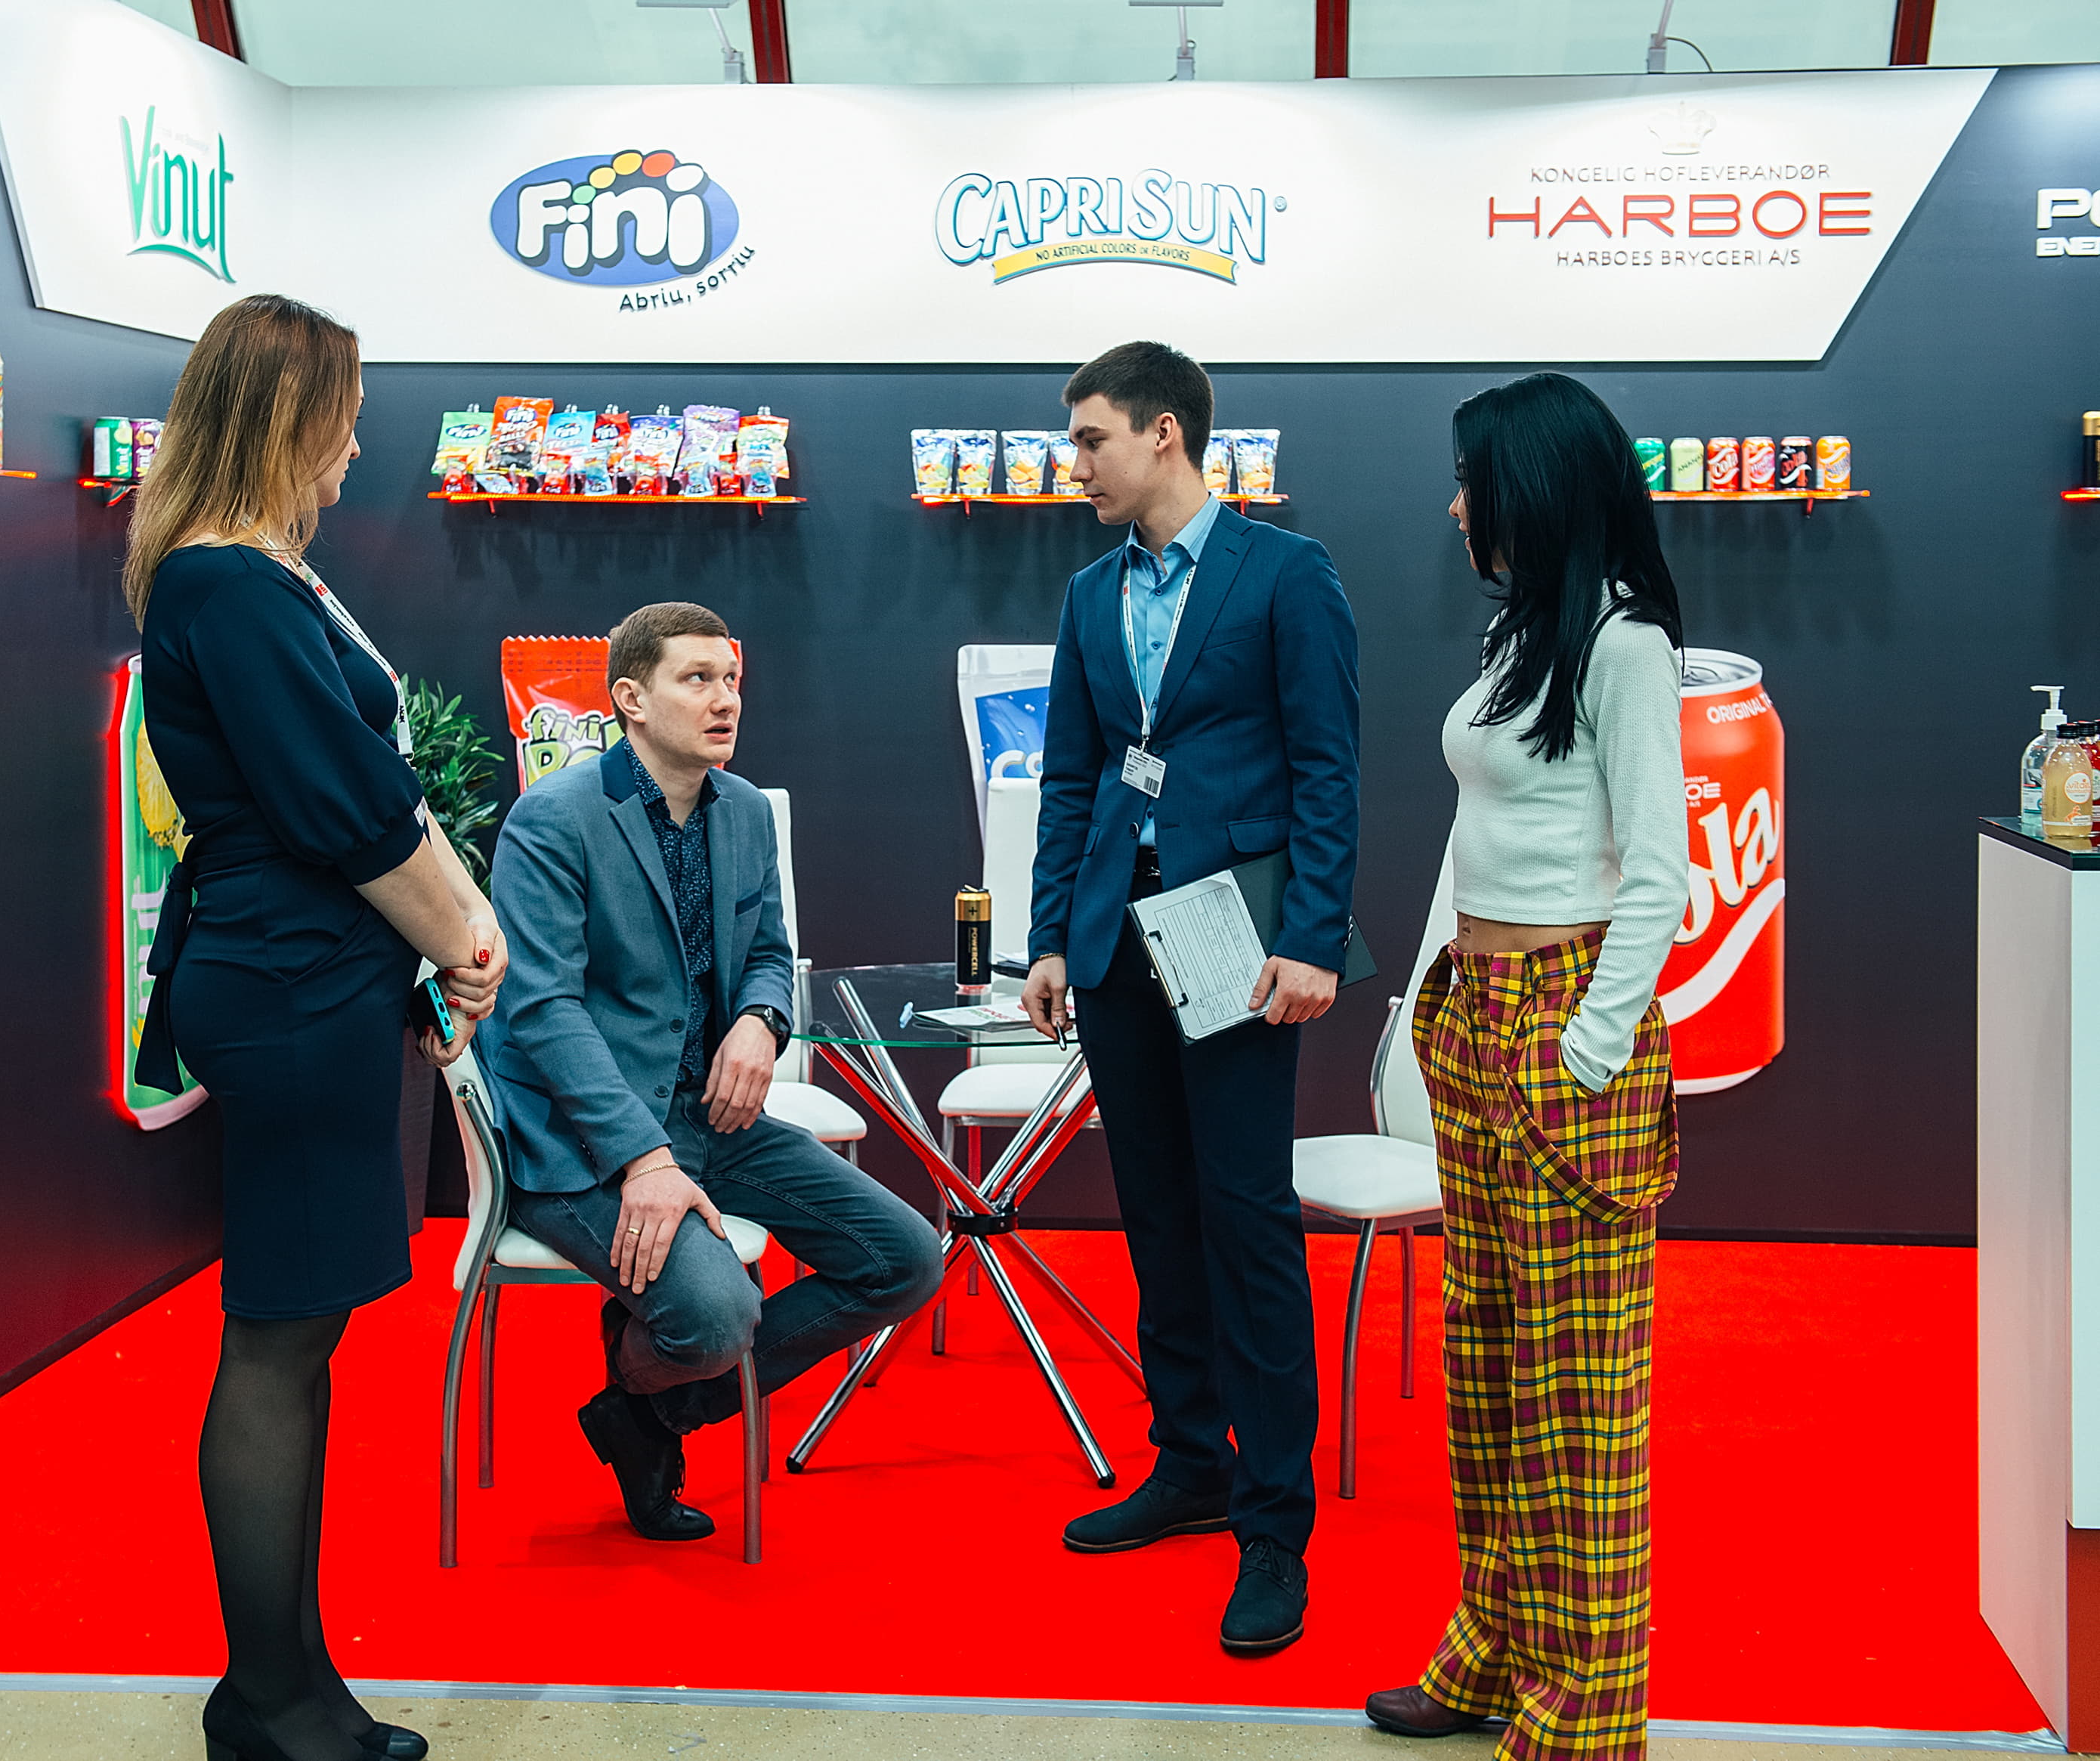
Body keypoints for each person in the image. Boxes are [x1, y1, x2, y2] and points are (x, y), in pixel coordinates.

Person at [128, 293, 505, 1761]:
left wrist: (449, 941)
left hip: (311, 979)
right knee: (280, 1336)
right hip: (287, 986)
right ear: (282, 419)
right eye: (341, 418)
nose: (355, 447)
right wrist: (461, 944)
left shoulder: (252, 576)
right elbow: (346, 810)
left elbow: (373, 789)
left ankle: (288, 1683)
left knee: (301, 1329)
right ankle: (273, 1700)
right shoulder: (226, 585)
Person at [1362, 373, 1687, 1760]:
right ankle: (1496, 1652)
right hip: (1481, 1014)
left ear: (1534, 489)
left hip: (1561, 1025)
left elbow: (1662, 876)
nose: (1454, 509)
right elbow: (1483, 840)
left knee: (1579, 1403)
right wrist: (1442, 1017)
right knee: (1491, 1371)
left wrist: (1586, 1051)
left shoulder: (1624, 644)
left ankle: (1588, 1712)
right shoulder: (1525, 637)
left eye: (1471, 483)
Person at [1022, 341, 1361, 1657]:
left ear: (1164, 433)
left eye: (1091, 439)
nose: (1076, 464)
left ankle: (1275, 1521)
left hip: (1241, 944)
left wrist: (1314, 937)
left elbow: (1328, 768)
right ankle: (1191, 1462)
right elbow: (1071, 777)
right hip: (1117, 943)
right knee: (1158, 1213)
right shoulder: (1088, 592)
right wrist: (1051, 937)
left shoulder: (1288, 573)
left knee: (1247, 1220)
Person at [479, 602, 943, 1542]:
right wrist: (644, 1159)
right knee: (717, 1315)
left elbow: (768, 952)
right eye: (696, 679)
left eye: (730, 678)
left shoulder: (744, 812)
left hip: (712, 1119)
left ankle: (645, 1405)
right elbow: (541, 1010)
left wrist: (761, 1023)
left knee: (905, 1258)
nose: (725, 698)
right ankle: (669, 1375)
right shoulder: (553, 817)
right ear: (630, 698)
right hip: (584, 1138)